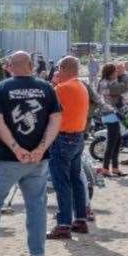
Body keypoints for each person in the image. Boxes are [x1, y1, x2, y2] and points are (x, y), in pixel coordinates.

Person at [0, 51, 62, 256]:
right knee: (36, 205)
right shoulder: (46, 88)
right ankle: (38, 255)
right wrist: (41, 148)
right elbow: (55, 120)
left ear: (9, 66)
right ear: (31, 65)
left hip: (6, 159)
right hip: (38, 160)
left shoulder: (1, 88)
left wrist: (15, 147)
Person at [45, 56, 90, 239]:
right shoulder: (82, 86)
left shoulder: (61, 89)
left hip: (62, 138)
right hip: (78, 137)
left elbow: (46, 109)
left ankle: (63, 224)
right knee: (76, 179)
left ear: (63, 68)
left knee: (61, 182)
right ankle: (80, 219)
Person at [97, 63, 128, 177]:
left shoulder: (106, 82)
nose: (116, 73)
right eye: (115, 71)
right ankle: (105, 168)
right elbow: (108, 99)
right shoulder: (106, 83)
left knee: (117, 140)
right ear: (110, 72)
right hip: (110, 114)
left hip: (111, 114)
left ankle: (114, 168)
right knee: (112, 142)